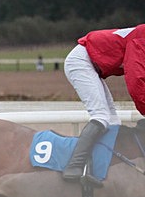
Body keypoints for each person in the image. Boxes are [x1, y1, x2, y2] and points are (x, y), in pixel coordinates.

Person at [62, 24, 145, 185]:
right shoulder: (142, 40)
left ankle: (98, 170)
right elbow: (136, 81)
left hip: (91, 65)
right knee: (101, 116)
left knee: (113, 122)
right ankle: (74, 166)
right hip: (81, 62)